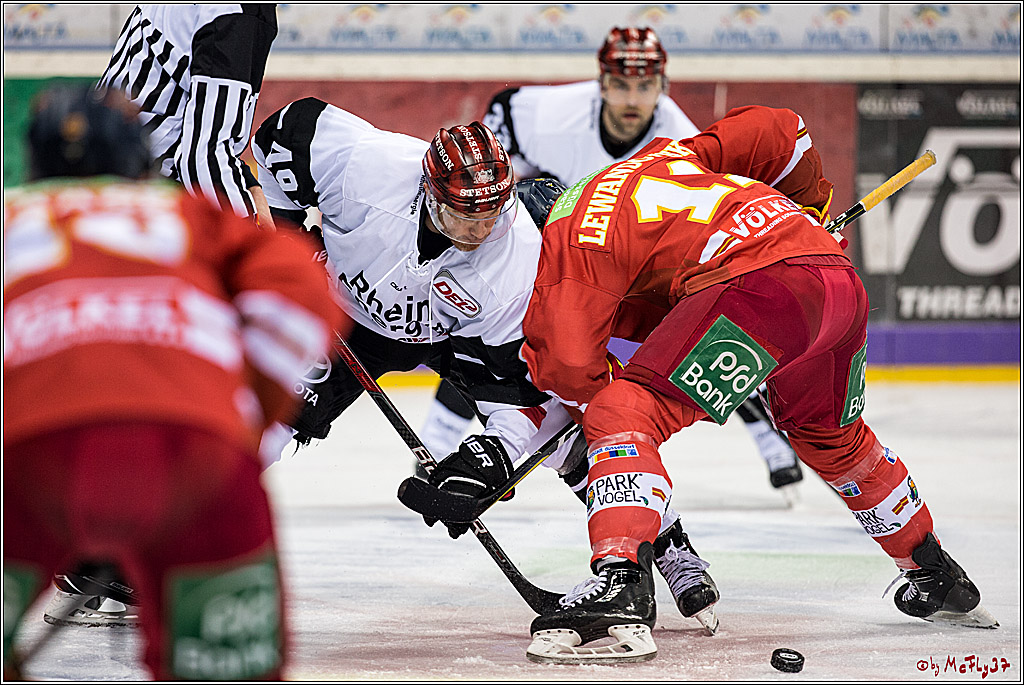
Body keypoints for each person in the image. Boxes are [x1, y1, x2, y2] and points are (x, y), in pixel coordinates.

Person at [517, 105, 998, 663]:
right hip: (836, 282)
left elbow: (569, 368)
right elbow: (784, 129)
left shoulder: (563, 236)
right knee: (831, 438)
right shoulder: (656, 159)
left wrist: (601, 430)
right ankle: (933, 571)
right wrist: (810, 206)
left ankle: (621, 584)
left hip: (763, 292)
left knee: (620, 414)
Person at [250, 101, 720, 633]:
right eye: (464, 215)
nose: (478, 229)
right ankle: (163, 533)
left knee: (572, 436)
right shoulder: (366, 168)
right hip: (345, 309)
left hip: (454, 332)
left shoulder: (514, 262)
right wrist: (291, 238)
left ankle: (665, 543)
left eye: (491, 214)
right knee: (270, 407)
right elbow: (284, 129)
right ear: (428, 191)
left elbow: (521, 395)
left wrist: (486, 461)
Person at [2, 86, 345, 679]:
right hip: (196, 453)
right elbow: (299, 293)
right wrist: (244, 419)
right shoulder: (188, 213)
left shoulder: (12, 214)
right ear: (141, 159)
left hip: (32, 453)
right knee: (227, 674)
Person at [419, 25, 803, 500]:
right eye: (621, 85)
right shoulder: (547, 114)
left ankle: (769, 439)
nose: (631, 99)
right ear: (601, 83)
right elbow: (501, 126)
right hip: (563, 243)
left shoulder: (683, 138)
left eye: (644, 87)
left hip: (637, 257)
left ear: (662, 86)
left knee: (700, 323)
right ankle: (438, 440)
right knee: (490, 321)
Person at [41, 2, 281, 628]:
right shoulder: (243, 16)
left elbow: (176, 130)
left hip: (88, 210)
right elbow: (206, 157)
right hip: (126, 219)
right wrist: (254, 255)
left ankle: (100, 543)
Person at [97, 3, 278, 227]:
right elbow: (205, 161)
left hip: (97, 194)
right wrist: (255, 245)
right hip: (135, 206)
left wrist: (253, 189)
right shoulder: (235, 15)